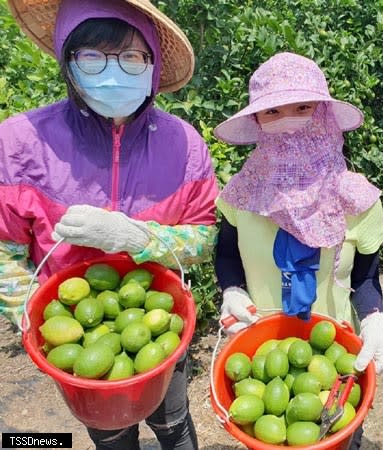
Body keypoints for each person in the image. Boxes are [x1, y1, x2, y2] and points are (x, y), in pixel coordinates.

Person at [1, 0, 219, 448]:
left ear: (152, 67)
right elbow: (4, 248)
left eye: (131, 57)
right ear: (68, 62)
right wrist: (30, 312)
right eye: (92, 56)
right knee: (111, 434)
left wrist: (137, 237)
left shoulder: (184, 144)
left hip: (159, 320)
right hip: (76, 330)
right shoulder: (21, 141)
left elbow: (203, 238)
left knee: (173, 424)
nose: (113, 72)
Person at [213, 52, 383, 448]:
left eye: (303, 107)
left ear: (324, 113)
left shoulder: (357, 200)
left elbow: (365, 277)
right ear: (258, 122)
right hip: (261, 351)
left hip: (332, 351)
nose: (289, 121)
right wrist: (231, 289)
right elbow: (226, 254)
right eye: (273, 111)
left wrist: (375, 317)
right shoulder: (241, 193)